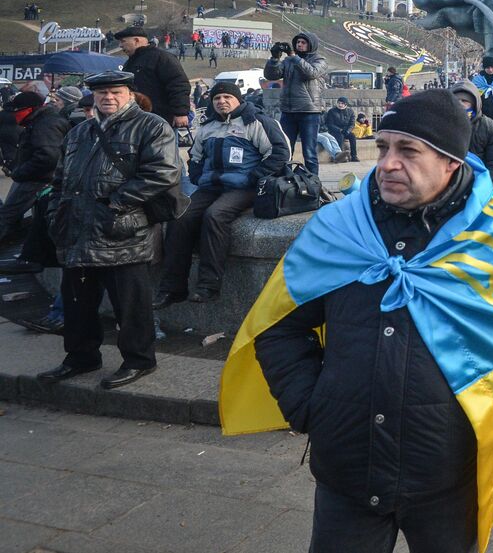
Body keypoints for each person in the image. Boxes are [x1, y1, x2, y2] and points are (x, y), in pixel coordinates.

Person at [248, 89, 493, 552]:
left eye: (408, 150)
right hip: (346, 469)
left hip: (447, 476)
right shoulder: (338, 229)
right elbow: (278, 326)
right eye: (383, 148)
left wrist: (483, 429)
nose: (388, 164)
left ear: (451, 162)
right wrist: (312, 407)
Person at [37, 71, 180, 390]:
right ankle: (80, 357)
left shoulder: (152, 126)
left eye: (116, 91)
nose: (108, 98)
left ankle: (140, 360)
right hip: (77, 229)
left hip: (121, 229)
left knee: (130, 304)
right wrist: (55, 212)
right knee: (77, 302)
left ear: (130, 94)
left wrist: (116, 203)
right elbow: (60, 178)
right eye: (101, 93)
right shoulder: (79, 132)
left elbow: (163, 173)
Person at [157, 82, 289, 305]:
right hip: (211, 186)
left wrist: (254, 177)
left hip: (245, 186)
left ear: (238, 100)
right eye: (217, 98)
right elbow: (195, 157)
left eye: (227, 97)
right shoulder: (208, 127)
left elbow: (279, 153)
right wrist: (198, 177)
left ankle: (209, 285)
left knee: (215, 215)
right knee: (180, 216)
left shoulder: (257, 122)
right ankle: (173, 287)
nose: (222, 102)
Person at [0, 91, 72, 272]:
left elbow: (47, 157)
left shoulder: (44, 124)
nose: (15, 115)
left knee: (7, 215)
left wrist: (20, 172)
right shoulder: (43, 121)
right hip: (39, 177)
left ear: (29, 109)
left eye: (18, 111)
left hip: (37, 179)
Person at [265, 32, 329, 176]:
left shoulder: (320, 60)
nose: (299, 44)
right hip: (288, 111)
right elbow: (271, 76)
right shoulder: (288, 61)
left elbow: (311, 73)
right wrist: (274, 59)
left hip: (309, 111)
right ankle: (285, 182)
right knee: (285, 149)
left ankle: (313, 183)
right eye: (298, 42)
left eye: (303, 42)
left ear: (311, 44)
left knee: (309, 152)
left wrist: (293, 56)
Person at [115, 25, 191, 127]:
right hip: (134, 121)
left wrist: (180, 113)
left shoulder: (162, 58)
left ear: (136, 40)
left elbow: (178, 84)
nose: (120, 45)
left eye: (123, 41)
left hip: (159, 120)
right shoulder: (129, 63)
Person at [449, 82, 493, 185]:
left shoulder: (490, 128)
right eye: (457, 101)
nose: (461, 105)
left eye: (465, 101)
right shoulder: (441, 125)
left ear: (474, 103)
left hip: (481, 185)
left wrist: (481, 185)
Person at [323, 97, 358, 163]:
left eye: (342, 103)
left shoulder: (350, 111)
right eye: (339, 103)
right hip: (336, 131)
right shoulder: (332, 111)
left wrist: (348, 131)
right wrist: (340, 130)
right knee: (340, 136)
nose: (340, 105)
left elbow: (352, 124)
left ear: (346, 104)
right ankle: (340, 156)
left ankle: (354, 156)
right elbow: (330, 124)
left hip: (346, 130)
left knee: (352, 136)